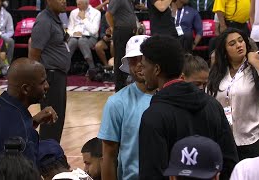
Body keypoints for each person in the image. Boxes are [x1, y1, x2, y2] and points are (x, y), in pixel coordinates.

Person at [139, 35, 238, 180]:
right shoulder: (213, 105)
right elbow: (230, 161)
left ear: (156, 69)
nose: (142, 71)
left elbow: (152, 174)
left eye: (144, 65)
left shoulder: (153, 116)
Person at [207, 28, 259, 160]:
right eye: (232, 44)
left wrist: (253, 60)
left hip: (254, 140)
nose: (238, 45)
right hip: (225, 143)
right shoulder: (218, 73)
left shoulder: (255, 69)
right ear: (224, 51)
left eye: (241, 41)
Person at [98, 35, 154, 180]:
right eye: (134, 60)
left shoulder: (171, 98)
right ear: (128, 64)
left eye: (144, 58)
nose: (140, 64)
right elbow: (109, 156)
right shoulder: (116, 103)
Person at [29, 0, 70, 143]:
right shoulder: (44, 21)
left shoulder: (55, 18)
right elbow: (34, 53)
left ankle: (51, 155)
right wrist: (39, 80)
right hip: (50, 77)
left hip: (58, 75)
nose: (64, 1)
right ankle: (46, 158)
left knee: (57, 119)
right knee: (50, 120)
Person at [105, 0, 137, 91]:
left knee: (127, 58)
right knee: (120, 59)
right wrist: (113, 28)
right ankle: (119, 87)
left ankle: (125, 83)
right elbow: (108, 14)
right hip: (121, 31)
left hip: (128, 31)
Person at [67, 0, 101, 78]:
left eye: (79, 4)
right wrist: (74, 33)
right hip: (75, 37)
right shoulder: (73, 12)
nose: (78, 6)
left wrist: (84, 19)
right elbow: (69, 28)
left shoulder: (96, 13)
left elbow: (94, 30)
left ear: (86, 3)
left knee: (82, 41)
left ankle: (92, 68)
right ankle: (65, 67)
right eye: (77, 4)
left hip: (90, 37)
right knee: (72, 42)